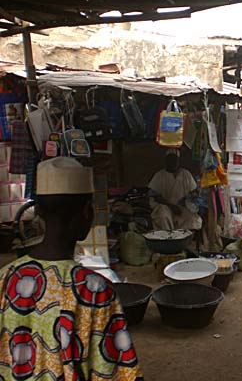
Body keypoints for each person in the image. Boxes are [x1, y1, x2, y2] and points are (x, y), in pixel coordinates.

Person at [0, 157, 143, 380]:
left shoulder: (6, 277)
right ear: (87, 212)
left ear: (38, 210)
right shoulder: (94, 290)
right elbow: (114, 371)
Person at [148, 149, 201, 230]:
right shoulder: (159, 175)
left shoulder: (186, 174)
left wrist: (186, 200)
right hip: (165, 207)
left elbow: (193, 191)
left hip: (182, 207)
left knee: (191, 218)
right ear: (166, 161)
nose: (173, 162)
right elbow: (155, 195)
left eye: (175, 160)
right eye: (170, 160)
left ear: (178, 161)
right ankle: (167, 239)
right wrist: (171, 206)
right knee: (163, 215)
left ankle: (185, 239)